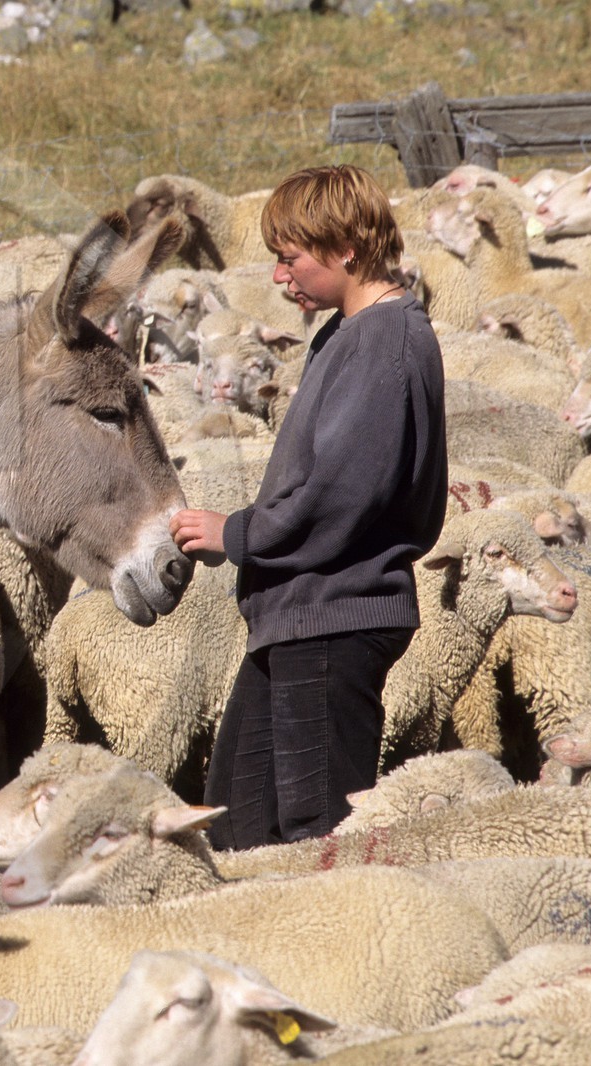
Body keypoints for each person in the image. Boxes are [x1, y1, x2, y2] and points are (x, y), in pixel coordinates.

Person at [168, 164, 447, 850]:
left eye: (289, 257)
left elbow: (344, 494)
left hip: (333, 615)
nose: (276, 276)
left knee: (315, 833)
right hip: (298, 614)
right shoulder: (347, 334)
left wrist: (237, 534)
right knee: (239, 820)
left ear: (345, 247)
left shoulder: (384, 342)